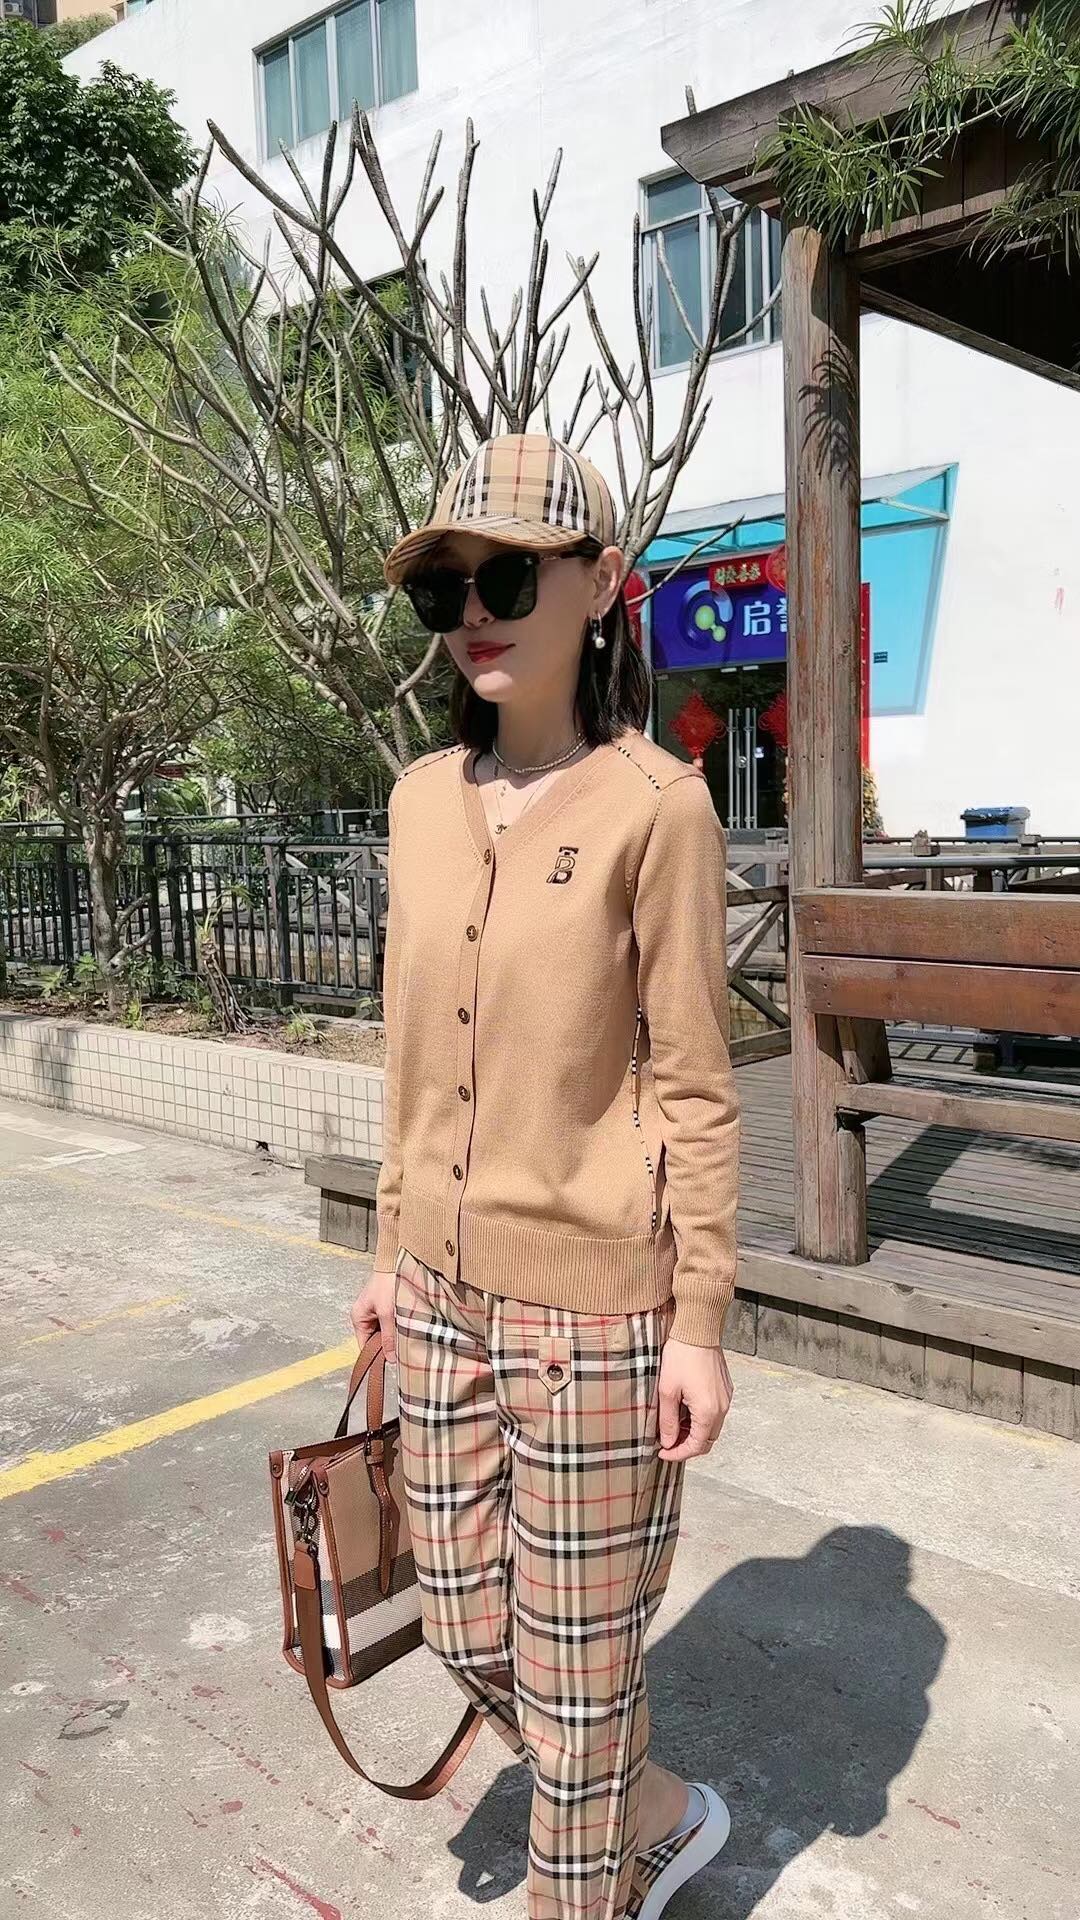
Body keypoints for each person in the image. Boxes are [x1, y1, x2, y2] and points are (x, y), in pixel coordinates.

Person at [350, 432, 741, 1920]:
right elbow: (406, 1053)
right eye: (446, 586)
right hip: (438, 1298)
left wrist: (700, 1319)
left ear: (603, 584)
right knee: (464, 1628)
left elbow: (696, 1082)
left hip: (594, 1322)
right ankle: (658, 1809)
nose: (474, 612)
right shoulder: (417, 801)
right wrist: (388, 1253)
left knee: (574, 1704)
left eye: (508, 577)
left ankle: (593, 1868)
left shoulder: (657, 806)